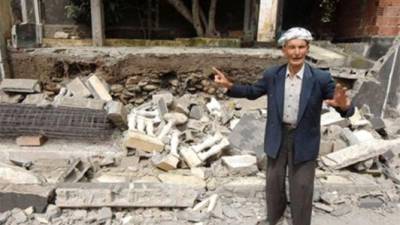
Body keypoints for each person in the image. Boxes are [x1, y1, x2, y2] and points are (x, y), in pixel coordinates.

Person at [212, 27, 355, 225]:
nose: (297, 52)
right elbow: (253, 91)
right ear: (284, 50)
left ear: (308, 49)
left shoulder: (320, 78)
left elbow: (340, 104)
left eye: (301, 47)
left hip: (305, 138)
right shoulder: (273, 75)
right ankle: (276, 218)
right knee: (273, 183)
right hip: (277, 135)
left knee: (302, 185)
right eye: (292, 47)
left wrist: (345, 106)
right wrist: (229, 86)